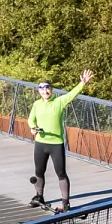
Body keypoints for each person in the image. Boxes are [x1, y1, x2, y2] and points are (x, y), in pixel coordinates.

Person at [28, 70, 94, 211]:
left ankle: (65, 202)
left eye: (47, 88)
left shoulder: (59, 102)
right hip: (40, 143)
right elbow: (31, 119)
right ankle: (39, 196)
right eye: (41, 88)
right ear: (38, 91)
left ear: (51, 90)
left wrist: (82, 83)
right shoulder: (36, 104)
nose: (44, 90)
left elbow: (71, 95)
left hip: (56, 144)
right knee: (39, 171)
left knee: (61, 173)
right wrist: (32, 128)